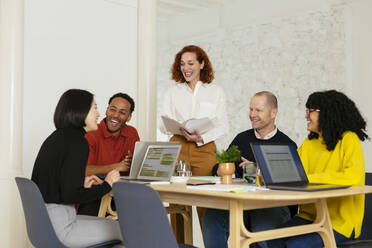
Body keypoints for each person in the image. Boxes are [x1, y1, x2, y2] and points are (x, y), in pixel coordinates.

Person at [267, 90, 368, 248]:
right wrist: (264, 171)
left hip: (340, 223)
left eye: (310, 111)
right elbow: (292, 171)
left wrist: (307, 178)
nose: (306, 116)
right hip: (309, 217)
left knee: (296, 245)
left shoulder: (349, 139)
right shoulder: (309, 143)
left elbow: (352, 177)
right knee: (270, 241)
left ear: (327, 113)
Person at [202, 91, 297, 248]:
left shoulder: (287, 144)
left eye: (258, 110)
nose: (252, 115)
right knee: (212, 217)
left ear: (274, 113)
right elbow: (219, 167)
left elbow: (291, 186)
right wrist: (220, 170)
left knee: (262, 226)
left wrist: (259, 171)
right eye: (251, 109)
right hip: (242, 205)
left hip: (271, 206)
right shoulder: (242, 138)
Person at [31, 89, 123, 247]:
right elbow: (70, 195)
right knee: (126, 230)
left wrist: (81, 185)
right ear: (81, 111)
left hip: (43, 225)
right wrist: (108, 184)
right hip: (64, 228)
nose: (99, 114)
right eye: (95, 108)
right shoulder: (77, 142)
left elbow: (58, 186)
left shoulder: (57, 137)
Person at [159, 45, 229, 241]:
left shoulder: (215, 91)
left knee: (208, 202)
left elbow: (223, 125)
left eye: (191, 63)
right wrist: (177, 127)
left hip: (204, 149)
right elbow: (162, 123)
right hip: (177, 146)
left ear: (202, 64)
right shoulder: (173, 92)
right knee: (177, 204)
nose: (186, 68)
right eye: (182, 64)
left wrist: (201, 137)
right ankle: (179, 245)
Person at [78, 92, 140, 216]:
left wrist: (136, 164)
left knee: (147, 211)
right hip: (94, 197)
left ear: (129, 117)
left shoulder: (132, 133)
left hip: (123, 195)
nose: (116, 115)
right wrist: (118, 167)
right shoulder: (91, 133)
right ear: (106, 110)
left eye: (122, 112)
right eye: (113, 110)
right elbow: (81, 170)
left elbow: (135, 171)